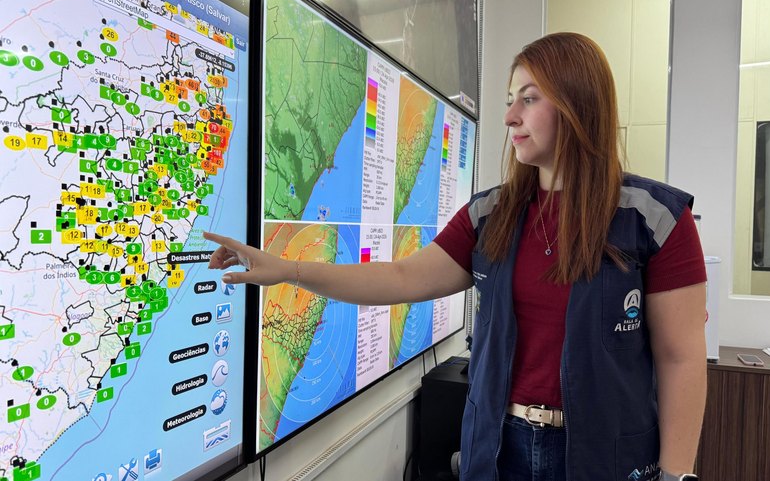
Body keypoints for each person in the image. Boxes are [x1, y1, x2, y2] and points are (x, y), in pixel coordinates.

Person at [204, 32, 707, 481]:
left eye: (528, 100)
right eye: (511, 100)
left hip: (604, 456)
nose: (510, 116)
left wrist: (676, 475)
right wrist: (287, 269)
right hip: (497, 450)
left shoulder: (654, 218)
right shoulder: (493, 214)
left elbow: (680, 358)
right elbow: (400, 277)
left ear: (578, 105)